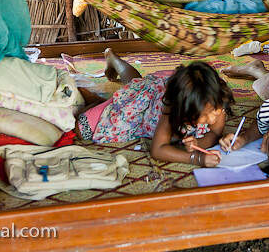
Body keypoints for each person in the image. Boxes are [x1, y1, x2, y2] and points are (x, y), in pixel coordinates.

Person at [75, 51, 234, 167]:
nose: (213, 119)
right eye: (205, 117)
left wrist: (199, 142)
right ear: (183, 111)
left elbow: (214, 133)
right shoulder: (171, 107)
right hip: (141, 110)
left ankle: (114, 59)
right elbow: (157, 150)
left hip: (148, 91)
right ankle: (96, 102)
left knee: (137, 84)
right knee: (83, 128)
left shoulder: (216, 98)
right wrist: (197, 158)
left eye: (216, 111)